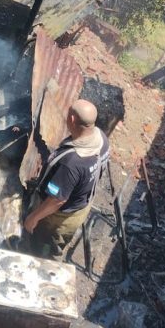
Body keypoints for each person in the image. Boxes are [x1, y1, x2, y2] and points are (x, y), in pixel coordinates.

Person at [23, 99, 109, 260]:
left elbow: (57, 200)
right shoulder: (101, 138)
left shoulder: (71, 163)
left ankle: (41, 261)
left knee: (44, 248)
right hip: (81, 204)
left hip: (58, 219)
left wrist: (33, 218)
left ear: (72, 119)